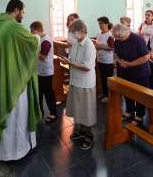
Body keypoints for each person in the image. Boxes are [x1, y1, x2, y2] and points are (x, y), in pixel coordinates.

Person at [0, 0, 41, 161]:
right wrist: (37, 37)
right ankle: (16, 151)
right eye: (23, 12)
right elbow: (32, 42)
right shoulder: (14, 27)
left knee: (5, 115)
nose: (23, 16)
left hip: (0, 77)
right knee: (17, 116)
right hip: (15, 81)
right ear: (16, 10)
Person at [59, 20, 96, 150]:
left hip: (85, 83)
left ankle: (89, 135)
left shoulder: (89, 45)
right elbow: (73, 60)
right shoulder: (75, 43)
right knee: (77, 108)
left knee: (86, 110)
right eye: (71, 32)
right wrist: (67, 61)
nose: (72, 35)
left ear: (82, 31)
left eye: (74, 32)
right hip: (75, 81)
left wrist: (71, 63)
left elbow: (87, 67)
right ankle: (80, 131)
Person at [112, 24, 150, 127]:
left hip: (139, 72)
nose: (119, 39)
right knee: (127, 92)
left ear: (127, 33)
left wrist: (130, 64)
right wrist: (118, 61)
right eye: (117, 38)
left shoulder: (137, 40)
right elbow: (115, 53)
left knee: (139, 94)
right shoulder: (118, 40)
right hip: (124, 71)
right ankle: (129, 111)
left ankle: (140, 115)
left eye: (120, 37)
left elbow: (146, 57)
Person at [30, 21, 57, 123]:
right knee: (39, 93)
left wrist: (33, 51)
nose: (31, 33)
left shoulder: (46, 40)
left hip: (46, 72)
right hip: (40, 71)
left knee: (48, 94)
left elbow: (43, 57)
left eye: (32, 31)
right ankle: (39, 113)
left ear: (37, 30)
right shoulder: (40, 39)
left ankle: (53, 113)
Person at [95, 16, 115, 102]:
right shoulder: (99, 34)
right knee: (102, 78)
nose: (100, 25)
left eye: (102, 23)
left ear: (106, 24)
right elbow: (96, 45)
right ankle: (104, 93)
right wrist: (99, 46)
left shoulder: (109, 35)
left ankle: (108, 95)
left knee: (107, 78)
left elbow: (112, 48)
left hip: (108, 60)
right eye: (99, 24)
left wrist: (100, 46)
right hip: (100, 59)